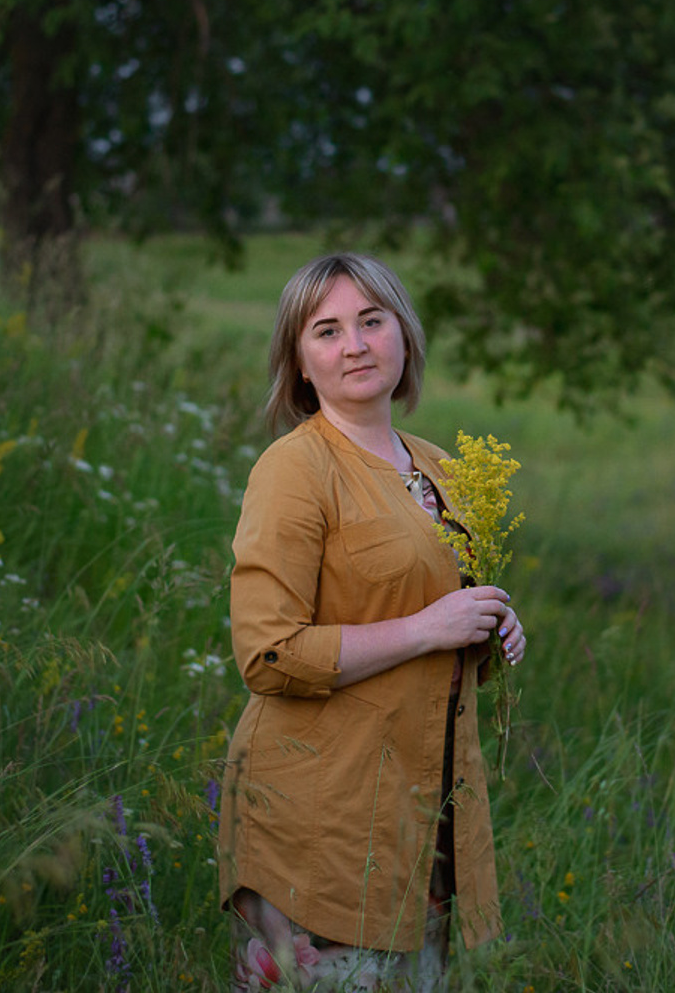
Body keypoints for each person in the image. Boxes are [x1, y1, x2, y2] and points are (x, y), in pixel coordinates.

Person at [218, 252, 527, 991]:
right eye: (327, 330)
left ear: (405, 336)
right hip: (326, 822)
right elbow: (268, 653)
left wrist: (489, 626)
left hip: (425, 824)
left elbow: (439, 624)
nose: (354, 345)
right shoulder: (295, 469)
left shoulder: (440, 470)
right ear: (299, 363)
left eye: (371, 321)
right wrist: (429, 626)